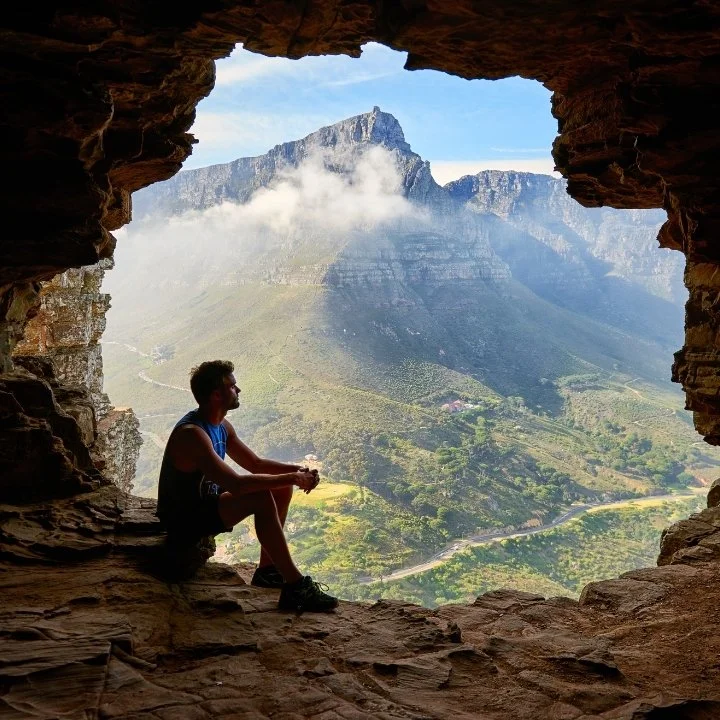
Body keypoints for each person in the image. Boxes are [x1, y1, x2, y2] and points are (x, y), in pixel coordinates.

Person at [156, 359, 338, 612]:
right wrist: (294, 478)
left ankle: (268, 571)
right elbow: (237, 484)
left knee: (279, 488)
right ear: (216, 395)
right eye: (233, 386)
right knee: (261, 497)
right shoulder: (193, 434)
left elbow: (254, 463)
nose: (238, 390)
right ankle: (296, 586)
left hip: (206, 504)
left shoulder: (221, 426)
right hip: (184, 518)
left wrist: (296, 471)